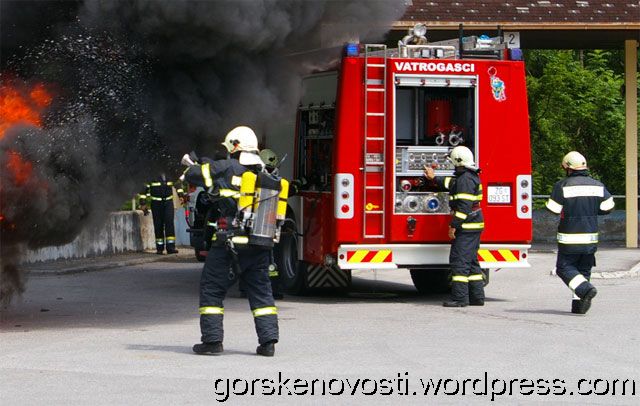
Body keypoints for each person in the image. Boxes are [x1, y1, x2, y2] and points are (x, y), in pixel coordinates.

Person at [185, 126, 279, 357]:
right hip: (259, 242)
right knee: (261, 292)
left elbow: (193, 175)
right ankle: (268, 343)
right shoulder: (266, 172)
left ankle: (212, 341)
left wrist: (195, 164)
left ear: (235, 146)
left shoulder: (227, 167)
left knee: (211, 288)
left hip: (230, 242)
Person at [545, 151, 614, 314]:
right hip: (590, 238)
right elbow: (608, 207)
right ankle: (578, 307)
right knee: (583, 271)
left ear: (568, 168)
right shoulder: (597, 185)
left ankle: (585, 289)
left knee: (564, 268)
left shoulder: (562, 185)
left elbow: (553, 209)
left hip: (569, 238)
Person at [423, 146, 485, 307]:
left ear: (458, 161)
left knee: (459, 262)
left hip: (467, 226)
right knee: (471, 262)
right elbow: (450, 183)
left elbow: (464, 207)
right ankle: (477, 297)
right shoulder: (468, 177)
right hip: (473, 225)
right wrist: (433, 178)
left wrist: (453, 226)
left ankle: (460, 299)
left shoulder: (465, 179)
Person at [138, 174, 184, 254]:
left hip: (168, 203)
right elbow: (143, 189)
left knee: (169, 224)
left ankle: (171, 247)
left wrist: (181, 195)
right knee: (158, 225)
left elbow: (177, 184)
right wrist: (143, 203)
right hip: (156, 204)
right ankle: (159, 248)